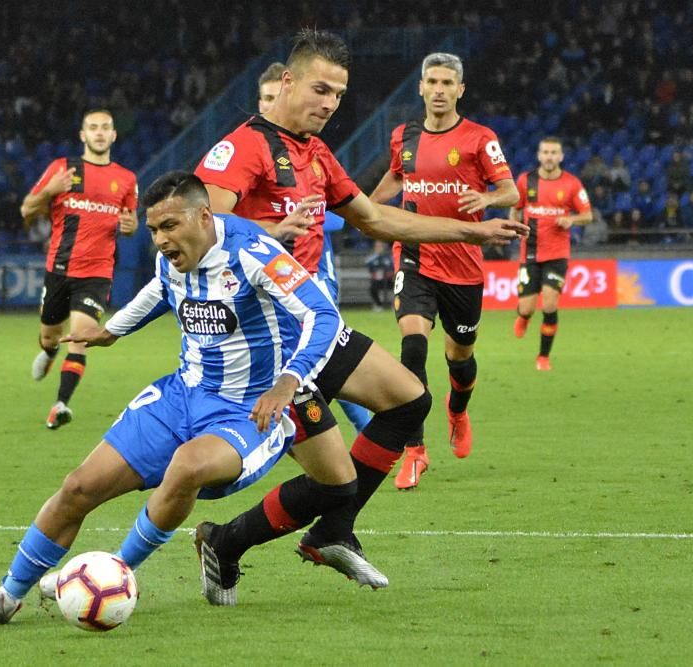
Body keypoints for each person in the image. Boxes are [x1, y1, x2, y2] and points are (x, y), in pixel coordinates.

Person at [0, 172, 358, 622]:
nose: (160, 239)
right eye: (154, 229)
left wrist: (287, 383)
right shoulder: (172, 259)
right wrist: (113, 330)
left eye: (170, 226)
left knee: (188, 467)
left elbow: (322, 315)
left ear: (203, 215)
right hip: (182, 394)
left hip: (247, 410)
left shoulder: (253, 254)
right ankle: (5, 597)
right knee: (80, 486)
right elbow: (161, 290)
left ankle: (113, 575)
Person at [193, 30, 526, 595]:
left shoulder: (316, 154)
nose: (330, 103)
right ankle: (227, 542)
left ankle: (329, 532)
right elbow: (202, 227)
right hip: (263, 342)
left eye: (340, 95)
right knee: (337, 481)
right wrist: (273, 231)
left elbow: (379, 219)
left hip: (313, 327)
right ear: (288, 82)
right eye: (321, 89)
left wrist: (476, 229)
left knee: (409, 399)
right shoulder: (243, 147)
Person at [368, 51, 520, 489]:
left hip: (464, 265)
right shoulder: (404, 136)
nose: (438, 90)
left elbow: (508, 189)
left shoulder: (479, 139)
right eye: (431, 82)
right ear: (420, 87)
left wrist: (487, 200)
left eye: (446, 83)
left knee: (460, 356)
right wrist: (365, 208)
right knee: (413, 347)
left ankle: (457, 410)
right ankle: (414, 450)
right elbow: (397, 178)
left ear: (460, 90)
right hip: (415, 254)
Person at [258, 59, 371, 434]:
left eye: (276, 95)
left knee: (318, 363)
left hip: (314, 274)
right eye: (265, 97)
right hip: (262, 282)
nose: (271, 103)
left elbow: (343, 214)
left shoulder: (312, 154)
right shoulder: (250, 150)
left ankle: (356, 437)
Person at [22, 109, 138, 430]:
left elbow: (131, 223)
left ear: (114, 135)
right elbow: (26, 209)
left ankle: (60, 405)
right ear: (82, 135)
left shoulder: (126, 179)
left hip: (97, 272)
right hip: (59, 268)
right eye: (93, 128)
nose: (99, 133)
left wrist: (130, 225)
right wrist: (49, 191)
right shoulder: (62, 169)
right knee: (50, 337)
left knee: (81, 337)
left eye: (105, 128)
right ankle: (48, 353)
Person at [510, 137, 592, 371]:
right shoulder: (526, 181)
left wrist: (571, 219)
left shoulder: (572, 184)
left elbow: (587, 215)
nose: (549, 156)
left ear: (561, 156)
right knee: (526, 307)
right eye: (545, 152)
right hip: (530, 252)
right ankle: (524, 317)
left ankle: (543, 357)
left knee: (549, 304)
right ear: (539, 155)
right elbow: (515, 210)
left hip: (557, 253)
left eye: (554, 152)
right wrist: (512, 229)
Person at [365, 240, 392, 311]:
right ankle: (378, 305)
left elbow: (393, 268)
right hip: (377, 280)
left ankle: (394, 305)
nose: (379, 248)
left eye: (380, 246)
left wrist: (389, 274)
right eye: (377, 246)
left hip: (388, 280)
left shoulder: (388, 257)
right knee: (372, 288)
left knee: (397, 286)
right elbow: (368, 265)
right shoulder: (372, 258)